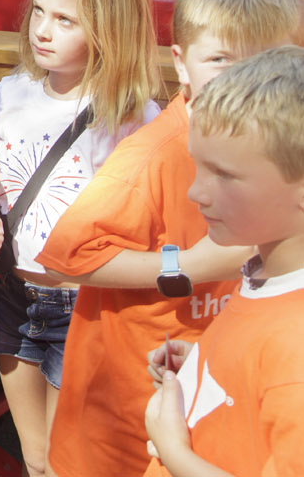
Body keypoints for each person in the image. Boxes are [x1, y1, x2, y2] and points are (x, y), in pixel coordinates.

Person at [36, 0, 304, 477]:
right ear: (181, 63)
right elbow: (64, 256)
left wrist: (211, 361)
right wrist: (189, 266)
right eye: (223, 59)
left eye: (266, 59)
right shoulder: (155, 155)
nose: (243, 78)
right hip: (125, 432)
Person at [0, 0, 162, 477]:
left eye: (65, 20)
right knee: (34, 457)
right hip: (16, 294)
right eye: (38, 11)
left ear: (109, 29)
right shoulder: (12, 93)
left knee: (66, 461)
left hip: (85, 306)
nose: (42, 31)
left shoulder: (135, 117)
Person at [143, 45, 304, 477]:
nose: (196, 192)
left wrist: (173, 450)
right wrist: (207, 365)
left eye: (225, 175)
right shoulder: (267, 273)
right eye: (200, 167)